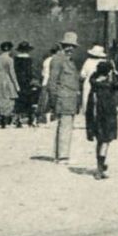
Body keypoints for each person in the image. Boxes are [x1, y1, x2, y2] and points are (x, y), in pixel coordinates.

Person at [46, 32, 81, 162]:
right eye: (67, 46)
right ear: (61, 45)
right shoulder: (57, 59)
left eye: (73, 46)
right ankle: (62, 156)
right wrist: (53, 100)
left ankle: (60, 154)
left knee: (66, 126)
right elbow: (52, 81)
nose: (70, 49)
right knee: (65, 126)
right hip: (62, 97)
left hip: (70, 98)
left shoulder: (69, 60)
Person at [85, 60, 118, 179]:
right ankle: (100, 168)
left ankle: (99, 166)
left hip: (94, 113)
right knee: (105, 141)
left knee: (99, 140)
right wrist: (115, 72)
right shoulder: (110, 84)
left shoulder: (93, 81)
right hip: (107, 113)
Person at [0, 41, 19, 129]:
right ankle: (7, 117)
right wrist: (16, 85)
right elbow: (12, 73)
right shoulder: (10, 60)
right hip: (7, 78)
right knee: (9, 98)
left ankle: (2, 117)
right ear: (10, 49)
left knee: (0, 98)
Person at [12, 41, 38, 128]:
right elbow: (30, 72)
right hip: (27, 81)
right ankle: (30, 119)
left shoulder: (15, 59)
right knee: (29, 100)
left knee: (18, 100)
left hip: (18, 81)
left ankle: (18, 120)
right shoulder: (29, 59)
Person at [80, 44, 107, 108]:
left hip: (88, 83)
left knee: (87, 100)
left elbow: (82, 75)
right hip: (100, 83)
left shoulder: (88, 61)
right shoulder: (103, 62)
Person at [38, 43, 60, 125]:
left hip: (45, 81)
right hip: (54, 83)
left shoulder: (46, 60)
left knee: (45, 101)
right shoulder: (58, 61)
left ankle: (46, 119)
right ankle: (54, 118)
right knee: (54, 101)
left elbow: (43, 73)